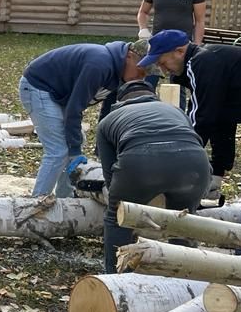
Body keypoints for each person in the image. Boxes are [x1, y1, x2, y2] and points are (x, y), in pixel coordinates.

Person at [136, 28, 241, 226]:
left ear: (179, 51)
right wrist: (218, 172)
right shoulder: (209, 62)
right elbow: (221, 119)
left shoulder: (201, 61)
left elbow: (202, 119)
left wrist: (179, 161)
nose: (163, 70)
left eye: (162, 62)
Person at [94, 80, 210, 273]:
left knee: (117, 217)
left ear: (120, 101)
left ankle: (116, 277)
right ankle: (185, 275)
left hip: (141, 163)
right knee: (184, 219)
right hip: (194, 164)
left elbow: (109, 174)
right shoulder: (175, 111)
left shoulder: (108, 120)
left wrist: (123, 195)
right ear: (152, 96)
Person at [18, 40, 148, 197]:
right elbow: (74, 109)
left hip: (58, 94)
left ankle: (65, 199)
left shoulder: (118, 73)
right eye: (141, 69)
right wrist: (75, 151)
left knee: (77, 140)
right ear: (129, 56)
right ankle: (37, 204)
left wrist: (106, 150)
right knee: (58, 151)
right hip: (38, 87)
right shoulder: (100, 65)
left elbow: (108, 114)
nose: (142, 76)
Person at [136, 0, 206, 107]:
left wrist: (197, 43)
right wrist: (143, 29)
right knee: (149, 80)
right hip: (157, 44)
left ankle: (178, 114)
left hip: (181, 46)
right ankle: (146, 110)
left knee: (178, 85)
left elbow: (200, 21)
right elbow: (143, 12)